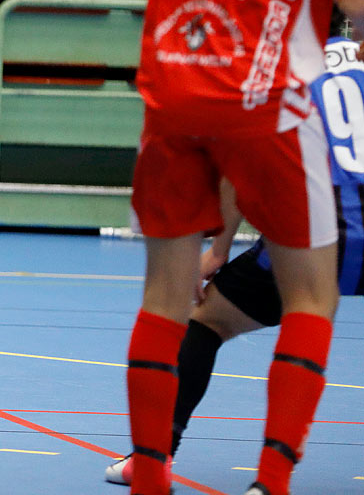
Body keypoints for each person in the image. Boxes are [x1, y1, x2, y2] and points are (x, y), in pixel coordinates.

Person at [123, 0, 364, 495]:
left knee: (166, 294)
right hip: (265, 101)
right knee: (312, 294)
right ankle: (270, 480)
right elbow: (357, 4)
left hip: (171, 91)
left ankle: (153, 473)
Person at [106, 25, 364, 487]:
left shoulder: (283, 66)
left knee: (208, 320)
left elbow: (235, 164)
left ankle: (155, 457)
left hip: (321, 230)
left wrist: (220, 249)